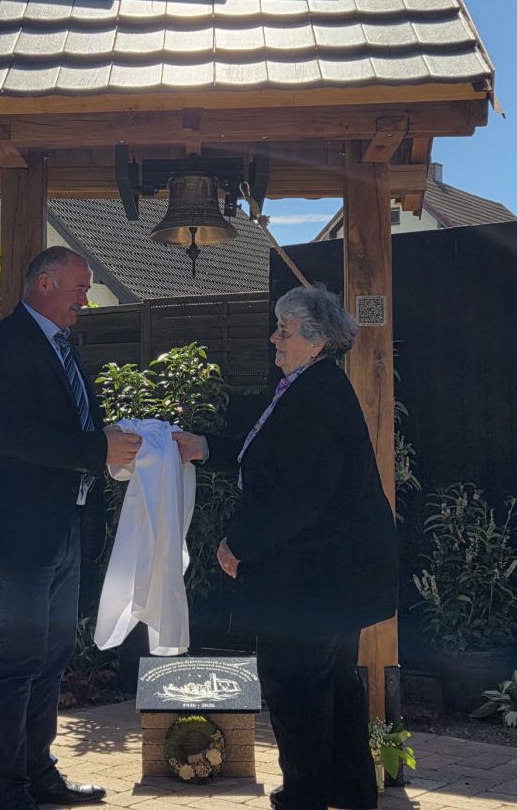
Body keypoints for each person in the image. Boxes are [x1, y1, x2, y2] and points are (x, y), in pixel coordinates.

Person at [173, 284, 398, 810]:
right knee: (333, 683)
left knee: (294, 686)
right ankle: (348, 789)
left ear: (316, 341)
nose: (274, 338)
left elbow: (300, 496)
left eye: (285, 330)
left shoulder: (315, 396)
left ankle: (305, 795)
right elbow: (271, 458)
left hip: (313, 577)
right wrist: (203, 447)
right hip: (332, 574)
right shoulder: (311, 386)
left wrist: (238, 544)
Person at [0, 246, 142, 810]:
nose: (85, 299)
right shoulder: (5, 346)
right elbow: (9, 436)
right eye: (79, 288)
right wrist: (95, 448)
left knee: (52, 655)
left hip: (64, 528)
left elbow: (72, 429)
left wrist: (111, 442)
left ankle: (39, 775)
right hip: (17, 535)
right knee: (18, 659)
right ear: (44, 283)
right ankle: (5, 792)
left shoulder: (61, 347)